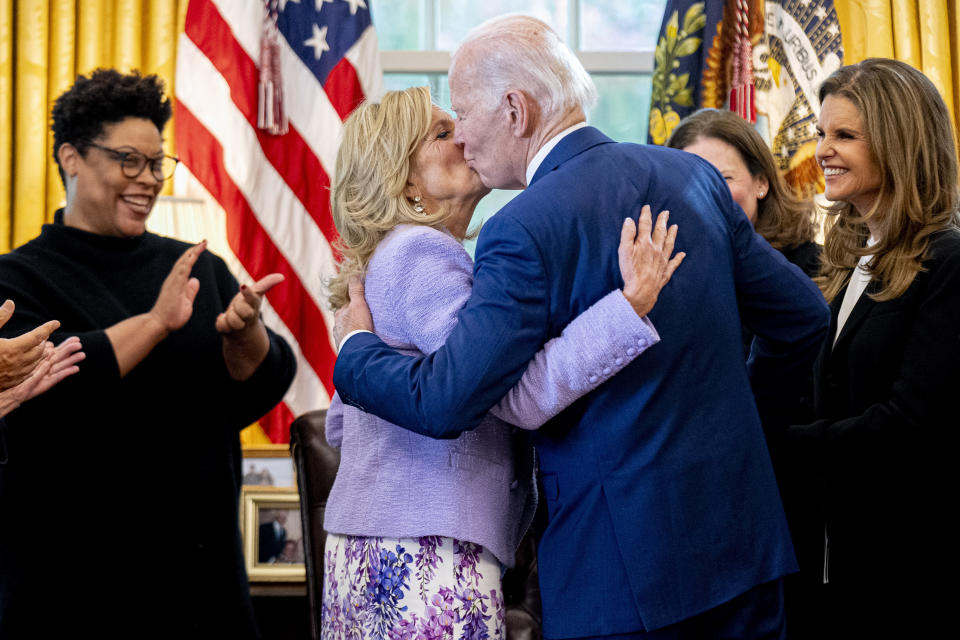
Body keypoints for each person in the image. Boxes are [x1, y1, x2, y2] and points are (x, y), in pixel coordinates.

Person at [333, 15, 829, 640]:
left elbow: (453, 398)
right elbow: (805, 319)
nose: (461, 133)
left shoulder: (520, 228)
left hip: (617, 573)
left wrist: (353, 353)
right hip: (745, 548)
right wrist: (742, 417)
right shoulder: (695, 178)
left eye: (462, 111)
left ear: (515, 109)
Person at [321, 86, 684, 636]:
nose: (463, 136)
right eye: (443, 133)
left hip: (379, 545)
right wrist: (626, 308)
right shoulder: (421, 254)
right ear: (405, 181)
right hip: (425, 552)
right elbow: (513, 395)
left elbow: (340, 422)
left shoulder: (388, 260)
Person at [0, 69, 295, 639]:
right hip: (67, 589)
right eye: (128, 160)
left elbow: (258, 388)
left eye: (158, 163)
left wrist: (244, 336)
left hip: (199, 589)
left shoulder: (196, 267)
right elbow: (52, 379)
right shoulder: (18, 278)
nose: (148, 179)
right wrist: (158, 324)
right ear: (71, 158)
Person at [779, 58, 960, 639]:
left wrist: (777, 446)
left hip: (906, 562)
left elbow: (910, 423)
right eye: (821, 133)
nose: (822, 150)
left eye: (844, 136)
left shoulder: (948, 262)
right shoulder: (842, 258)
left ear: (899, 143)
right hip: (830, 555)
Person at [667, 108, 821, 277]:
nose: (707, 193)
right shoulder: (661, 266)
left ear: (761, 183)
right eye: (692, 181)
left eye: (724, 178)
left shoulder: (813, 267)